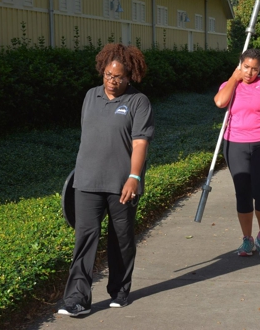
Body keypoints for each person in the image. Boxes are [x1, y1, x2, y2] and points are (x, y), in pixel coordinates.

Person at [58, 43, 154, 317]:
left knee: (121, 239)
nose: (113, 81)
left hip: (122, 184)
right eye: (108, 76)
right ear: (102, 72)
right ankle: (77, 299)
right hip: (87, 181)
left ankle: (120, 290)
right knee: (84, 239)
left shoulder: (139, 102)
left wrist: (134, 177)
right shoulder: (91, 96)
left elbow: (140, 143)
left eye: (119, 77)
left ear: (130, 75)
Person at [214, 48, 260, 259]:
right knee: (243, 193)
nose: (249, 72)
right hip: (235, 145)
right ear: (240, 65)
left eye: (254, 69)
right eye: (246, 67)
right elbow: (220, 102)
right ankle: (247, 240)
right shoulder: (230, 85)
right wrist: (233, 78)